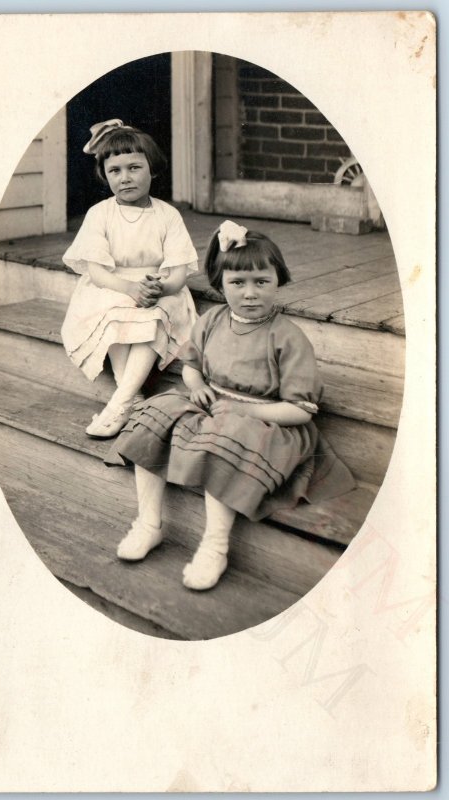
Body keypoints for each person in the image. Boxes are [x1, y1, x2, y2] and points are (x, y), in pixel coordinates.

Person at [107, 220, 355, 591]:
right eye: (237, 283)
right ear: (220, 284)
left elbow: (300, 410)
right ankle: (149, 523)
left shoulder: (287, 337)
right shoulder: (212, 320)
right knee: (154, 417)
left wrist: (250, 411)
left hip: (269, 420)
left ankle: (215, 545)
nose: (250, 293)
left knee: (226, 436)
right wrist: (197, 385)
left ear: (279, 280)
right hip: (216, 405)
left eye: (261, 282)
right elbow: (191, 366)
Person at [61, 119, 199, 438]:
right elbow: (97, 272)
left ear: (152, 169)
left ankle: (120, 403)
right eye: (115, 171)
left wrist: (159, 287)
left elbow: (178, 272)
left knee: (154, 316)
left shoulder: (167, 215)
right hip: (112, 285)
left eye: (134, 168)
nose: (125, 178)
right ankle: (130, 399)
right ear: (105, 175)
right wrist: (130, 288)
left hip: (159, 285)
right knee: (115, 313)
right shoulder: (100, 214)